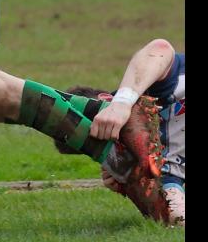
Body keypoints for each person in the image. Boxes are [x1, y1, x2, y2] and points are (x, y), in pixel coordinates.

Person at [74, 39, 185, 226]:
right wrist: (133, 184)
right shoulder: (161, 165)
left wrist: (122, 103)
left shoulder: (155, 91)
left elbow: (160, 49)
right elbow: (174, 219)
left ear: (106, 100)